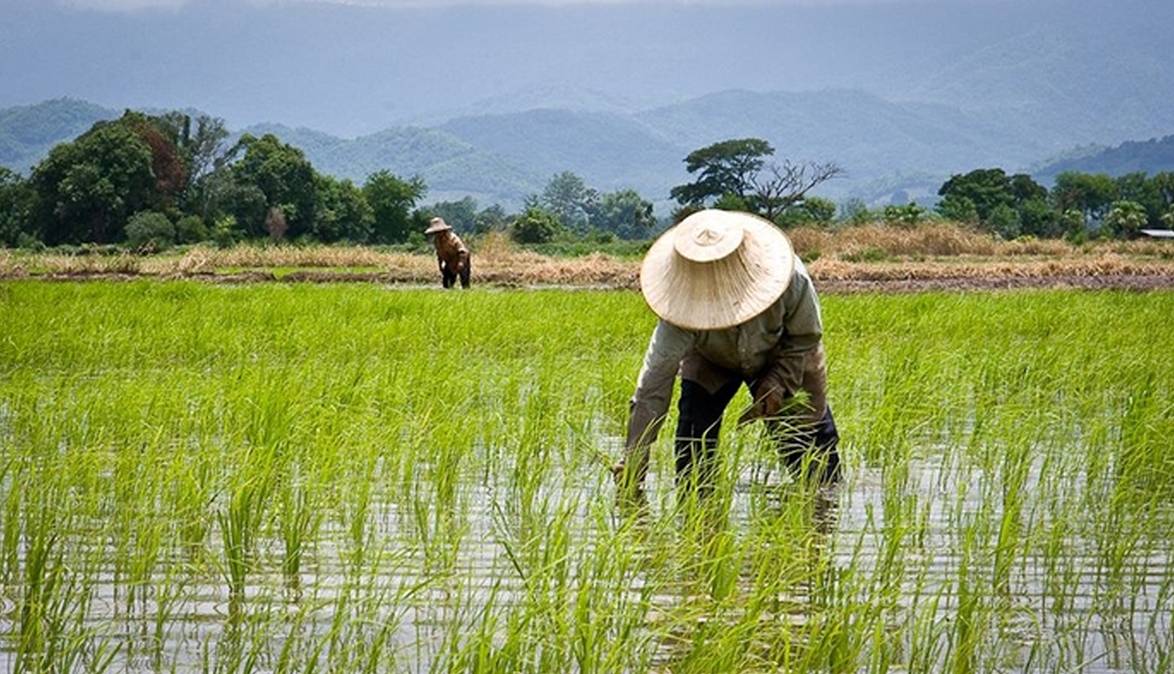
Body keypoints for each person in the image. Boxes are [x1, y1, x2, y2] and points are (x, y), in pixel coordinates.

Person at [613, 209, 840, 497]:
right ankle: (699, 522)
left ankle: (821, 517)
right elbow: (653, 387)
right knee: (693, 448)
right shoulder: (678, 309)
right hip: (710, 359)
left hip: (783, 353)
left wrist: (778, 380)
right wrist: (634, 460)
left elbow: (805, 337)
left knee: (815, 458)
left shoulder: (790, 279)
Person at [424, 217, 471, 289]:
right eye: (436, 232)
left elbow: (463, 252)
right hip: (449, 261)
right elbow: (439, 254)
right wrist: (440, 265)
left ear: (444, 231)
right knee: (446, 283)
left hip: (461, 259)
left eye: (439, 232)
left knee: (464, 280)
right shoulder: (437, 241)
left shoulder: (453, 238)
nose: (438, 234)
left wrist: (461, 263)